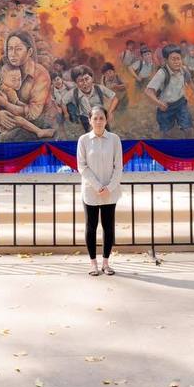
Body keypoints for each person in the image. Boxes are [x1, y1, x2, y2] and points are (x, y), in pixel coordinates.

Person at [0, 31, 52, 142]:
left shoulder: (40, 74)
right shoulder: (8, 70)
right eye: (10, 49)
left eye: (18, 49)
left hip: (34, 122)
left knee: (3, 139)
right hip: (11, 117)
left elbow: (33, 114)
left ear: (29, 52)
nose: (12, 54)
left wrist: (6, 104)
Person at [77, 105, 123, 277]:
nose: (98, 121)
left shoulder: (114, 139)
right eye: (95, 118)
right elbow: (82, 166)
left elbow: (118, 167)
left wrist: (109, 187)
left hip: (110, 191)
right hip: (91, 191)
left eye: (101, 118)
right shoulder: (83, 140)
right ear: (89, 120)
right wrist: (97, 186)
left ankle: (106, 263)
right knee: (91, 226)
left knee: (108, 227)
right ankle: (93, 264)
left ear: (106, 120)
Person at [0, 63, 55, 140]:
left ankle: (38, 131)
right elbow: (15, 102)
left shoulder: (6, 88)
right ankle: (39, 131)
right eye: (13, 80)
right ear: (2, 79)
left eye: (19, 79)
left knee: (3, 136)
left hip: (9, 117)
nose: (17, 83)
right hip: (5, 118)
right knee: (19, 120)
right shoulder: (8, 91)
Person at [145, 45, 194, 136]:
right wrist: (159, 103)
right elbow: (148, 91)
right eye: (173, 59)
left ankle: (189, 143)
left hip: (181, 104)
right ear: (166, 60)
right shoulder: (162, 73)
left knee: (188, 129)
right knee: (167, 133)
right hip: (166, 107)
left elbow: (189, 81)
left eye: (178, 59)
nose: (177, 62)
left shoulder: (183, 69)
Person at [71, 64, 118, 131]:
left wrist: (110, 112)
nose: (85, 83)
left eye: (87, 79)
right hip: (86, 119)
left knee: (105, 133)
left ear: (92, 78)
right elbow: (62, 101)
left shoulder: (99, 88)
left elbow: (115, 98)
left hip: (100, 116)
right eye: (81, 81)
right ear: (76, 83)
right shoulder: (74, 93)